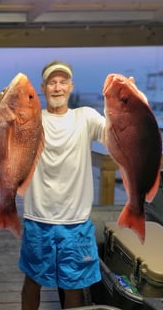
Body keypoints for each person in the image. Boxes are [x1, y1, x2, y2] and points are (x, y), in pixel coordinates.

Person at [14, 61, 105, 309]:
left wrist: (131, 105)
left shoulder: (85, 116)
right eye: (52, 82)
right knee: (32, 282)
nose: (57, 87)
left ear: (71, 86)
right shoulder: (32, 119)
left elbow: (114, 134)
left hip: (76, 221)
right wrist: (7, 105)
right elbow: (7, 136)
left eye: (63, 82)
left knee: (73, 286)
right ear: (43, 88)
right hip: (38, 218)